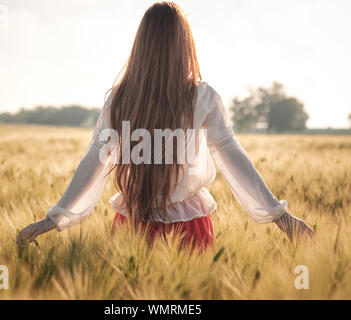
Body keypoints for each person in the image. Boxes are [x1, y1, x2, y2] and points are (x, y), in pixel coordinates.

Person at [17, 2, 313, 249]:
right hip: (188, 227)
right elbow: (231, 155)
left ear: (141, 45)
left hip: (131, 226)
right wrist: (280, 217)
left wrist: (55, 218)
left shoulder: (120, 99)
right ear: (184, 45)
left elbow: (95, 158)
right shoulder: (201, 97)